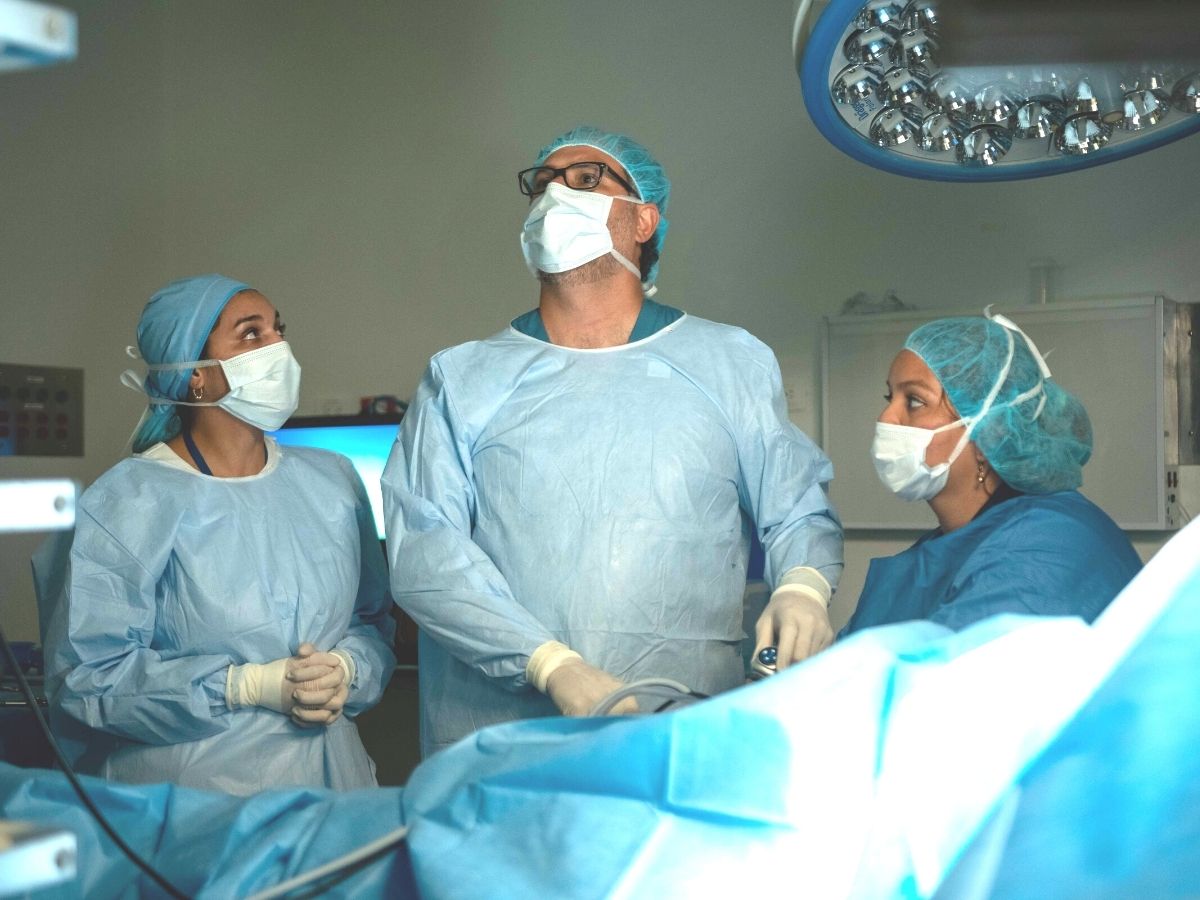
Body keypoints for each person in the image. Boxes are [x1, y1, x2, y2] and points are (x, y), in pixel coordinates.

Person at [383, 125, 843, 756]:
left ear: (644, 220)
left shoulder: (728, 361)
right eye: (542, 184)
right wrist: (549, 664)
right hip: (500, 739)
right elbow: (424, 552)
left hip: (675, 726)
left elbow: (794, 507)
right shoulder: (462, 378)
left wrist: (803, 587)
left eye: (585, 179)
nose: (555, 196)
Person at [43, 274, 396, 795]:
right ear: (195, 376)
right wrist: (241, 687)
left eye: (278, 330)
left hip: (333, 787)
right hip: (194, 801)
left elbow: (371, 621)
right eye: (252, 334)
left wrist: (346, 668)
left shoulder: (332, 482)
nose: (279, 347)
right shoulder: (127, 502)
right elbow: (86, 678)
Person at [841, 310, 1142, 635]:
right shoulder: (954, 544)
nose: (886, 417)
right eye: (890, 397)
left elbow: (960, 662)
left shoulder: (1044, 546)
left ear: (990, 430)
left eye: (914, 401)